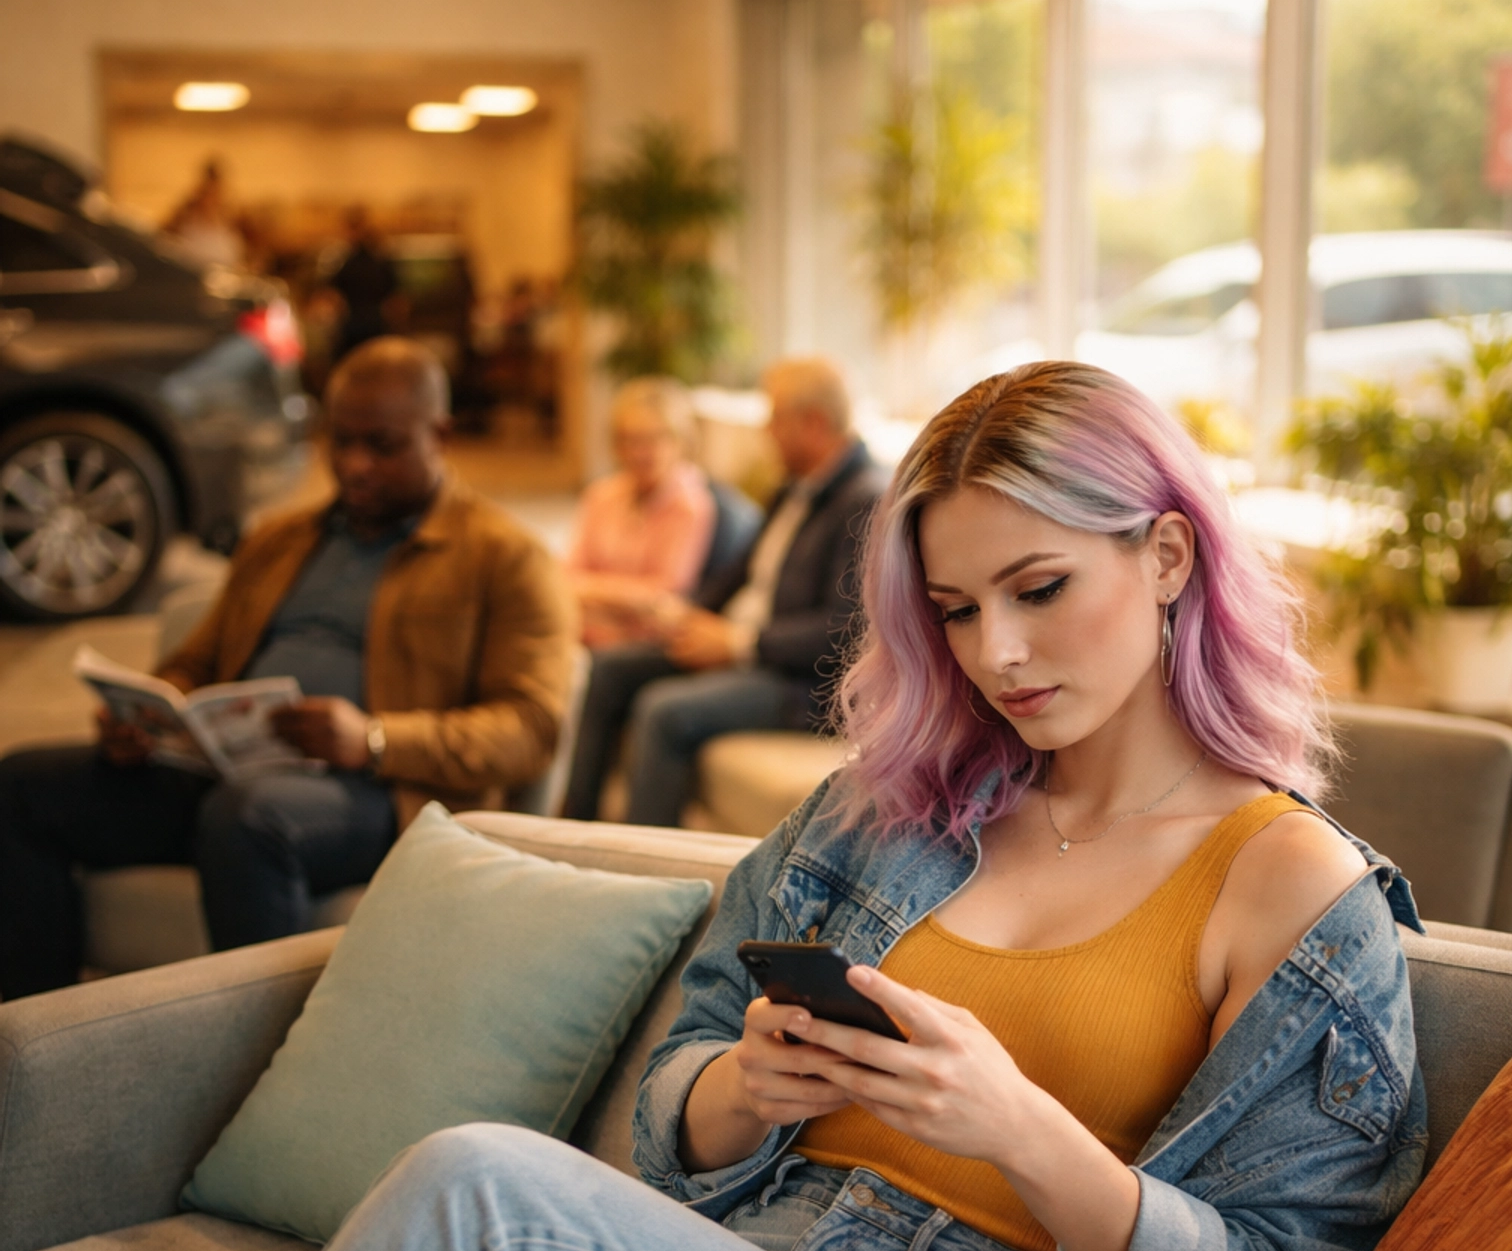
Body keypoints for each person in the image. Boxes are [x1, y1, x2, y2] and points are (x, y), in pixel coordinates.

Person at [162, 360, 1425, 1251]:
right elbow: (680, 1094)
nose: (1001, 651)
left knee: (482, 1185)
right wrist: (745, 1088)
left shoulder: (1292, 889)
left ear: (1166, 556)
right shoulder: (883, 812)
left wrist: (1021, 1128)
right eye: (956, 608)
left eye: (1039, 588)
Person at [0, 339, 572, 998]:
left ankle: (269, 1069)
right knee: (22, 784)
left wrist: (374, 738)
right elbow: (196, 661)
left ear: (438, 434)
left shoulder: (505, 558)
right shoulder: (281, 539)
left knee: (248, 818)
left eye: (382, 446)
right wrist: (149, 715)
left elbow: (530, 727)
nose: (355, 467)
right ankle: (38, 1037)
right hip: (224, 769)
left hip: (381, 794)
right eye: (343, 443)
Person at [562, 356, 885, 827]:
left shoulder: (865, 498)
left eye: (774, 419)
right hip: (749, 647)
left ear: (813, 423)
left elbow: (843, 632)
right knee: (611, 669)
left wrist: (737, 644)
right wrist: (685, 616)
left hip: (803, 684)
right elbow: (737, 575)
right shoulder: (794, 487)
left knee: (663, 710)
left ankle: (646, 865)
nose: (766, 433)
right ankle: (576, 826)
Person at [564, 379, 717, 648]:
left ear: (680, 440)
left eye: (652, 439)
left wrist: (591, 590)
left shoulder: (689, 505)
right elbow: (569, 573)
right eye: (628, 440)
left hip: (647, 639)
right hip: (588, 624)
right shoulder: (601, 494)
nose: (639, 452)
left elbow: (664, 594)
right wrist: (622, 597)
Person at [329, 209, 397, 363]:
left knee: (353, 363)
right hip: (376, 323)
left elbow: (334, 297)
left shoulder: (347, 263)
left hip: (353, 323)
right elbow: (394, 301)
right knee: (376, 362)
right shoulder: (381, 262)